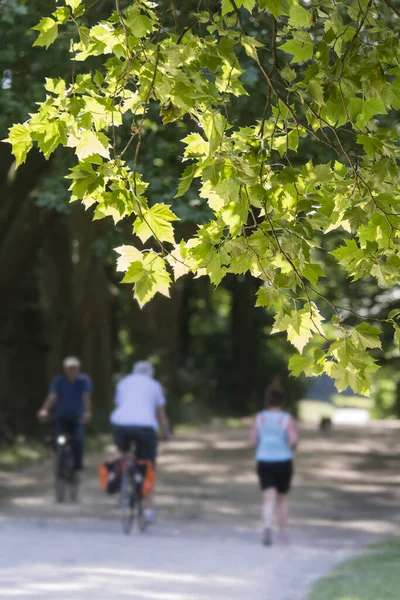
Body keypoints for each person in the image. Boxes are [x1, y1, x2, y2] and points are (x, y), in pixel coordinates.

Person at [110, 360, 170, 522]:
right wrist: (165, 432)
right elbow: (161, 414)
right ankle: (149, 507)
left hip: (121, 424)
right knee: (148, 464)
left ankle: (116, 478)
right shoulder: (154, 385)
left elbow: (119, 404)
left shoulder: (124, 382)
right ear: (151, 373)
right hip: (145, 427)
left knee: (121, 451)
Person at [250, 386, 299, 546]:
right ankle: (282, 533)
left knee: (268, 497)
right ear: (283, 401)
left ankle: (267, 526)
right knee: (282, 499)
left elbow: (252, 441)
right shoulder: (287, 419)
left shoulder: (259, 418)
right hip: (283, 461)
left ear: (267, 401)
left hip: (264, 460)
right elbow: (293, 441)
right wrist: (289, 446)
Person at [38, 356, 92, 478]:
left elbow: (86, 397)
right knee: (58, 440)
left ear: (78, 368)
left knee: (78, 440)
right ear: (65, 369)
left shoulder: (84, 380)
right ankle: (59, 462)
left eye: (74, 368)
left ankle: (77, 468)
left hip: (77, 417)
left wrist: (87, 412)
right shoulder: (58, 380)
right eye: (69, 368)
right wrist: (45, 409)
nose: (72, 370)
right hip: (61, 416)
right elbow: (52, 396)